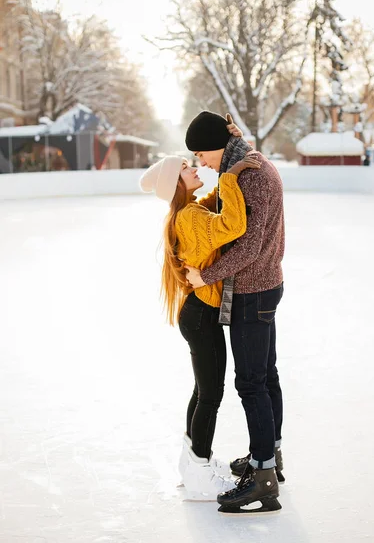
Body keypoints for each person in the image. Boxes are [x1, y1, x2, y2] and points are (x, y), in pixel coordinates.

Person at [139, 143, 261, 500]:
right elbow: (233, 225)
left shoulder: (186, 212)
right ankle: (200, 471)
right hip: (201, 316)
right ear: (176, 183)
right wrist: (231, 177)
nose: (194, 168)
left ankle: (192, 462)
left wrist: (224, 184)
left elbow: (210, 210)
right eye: (185, 169)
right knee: (211, 395)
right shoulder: (189, 218)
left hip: (197, 314)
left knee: (202, 392)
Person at [184, 111, 285, 514]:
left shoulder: (251, 176)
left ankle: (262, 478)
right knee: (266, 376)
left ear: (217, 145)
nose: (200, 163)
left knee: (251, 384)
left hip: (253, 290)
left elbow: (248, 247)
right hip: (262, 285)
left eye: (201, 154)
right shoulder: (246, 167)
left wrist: (204, 276)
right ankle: (270, 459)